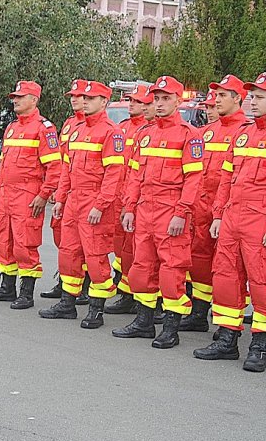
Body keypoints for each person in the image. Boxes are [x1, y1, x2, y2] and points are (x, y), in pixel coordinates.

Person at [112, 75, 205, 349]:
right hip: (144, 212)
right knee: (142, 268)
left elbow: (193, 180)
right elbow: (134, 176)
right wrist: (129, 207)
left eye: (166, 99)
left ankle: (171, 328)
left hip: (170, 212)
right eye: (157, 99)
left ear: (178, 100)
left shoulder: (189, 135)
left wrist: (181, 212)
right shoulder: (145, 134)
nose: (160, 104)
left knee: (171, 270)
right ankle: (143, 322)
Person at [39, 81, 125, 327]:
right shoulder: (76, 129)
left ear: (104, 102)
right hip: (74, 201)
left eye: (90, 98)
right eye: (83, 98)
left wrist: (101, 205)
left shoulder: (111, 132)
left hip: (94, 203)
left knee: (95, 256)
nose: (84, 102)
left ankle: (96, 309)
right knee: (69, 254)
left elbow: (113, 174)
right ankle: (67, 303)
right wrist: (61, 198)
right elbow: (67, 168)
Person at [195, 72, 266, 370]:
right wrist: (219, 214)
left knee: (261, 281)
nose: (253, 101)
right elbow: (226, 178)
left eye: (260, 97)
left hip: (259, 220)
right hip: (233, 217)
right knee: (226, 276)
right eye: (252, 96)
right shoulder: (244, 133)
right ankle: (227, 339)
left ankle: (260, 344)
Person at [0, 81, 62, 310]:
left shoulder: (44, 128)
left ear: (34, 100)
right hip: (6, 194)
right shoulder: (12, 127)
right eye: (14, 97)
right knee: (3, 240)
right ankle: (7, 287)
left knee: (25, 243)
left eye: (20, 97)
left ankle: (26, 293)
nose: (15, 100)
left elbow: (54, 167)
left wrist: (44, 194)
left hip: (27, 194)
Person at [180, 75, 250, 333]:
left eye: (222, 95)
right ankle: (199, 313)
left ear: (237, 99)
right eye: (216, 95)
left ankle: (233, 319)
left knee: (230, 268)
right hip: (202, 208)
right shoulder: (206, 132)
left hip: (230, 210)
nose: (217, 100)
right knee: (199, 260)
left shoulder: (244, 131)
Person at [107, 84, 155, 315]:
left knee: (140, 253)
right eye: (133, 101)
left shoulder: (149, 131)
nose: (134, 105)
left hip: (144, 201)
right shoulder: (123, 128)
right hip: (122, 197)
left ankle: (143, 299)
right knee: (123, 250)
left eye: (141, 102)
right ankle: (126, 292)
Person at [42, 81, 89, 302]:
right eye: (73, 95)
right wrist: (58, 190)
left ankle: (84, 286)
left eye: (80, 96)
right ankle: (66, 281)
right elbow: (63, 161)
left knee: (86, 243)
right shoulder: (71, 124)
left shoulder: (96, 128)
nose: (75, 99)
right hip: (69, 190)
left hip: (87, 193)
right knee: (65, 241)